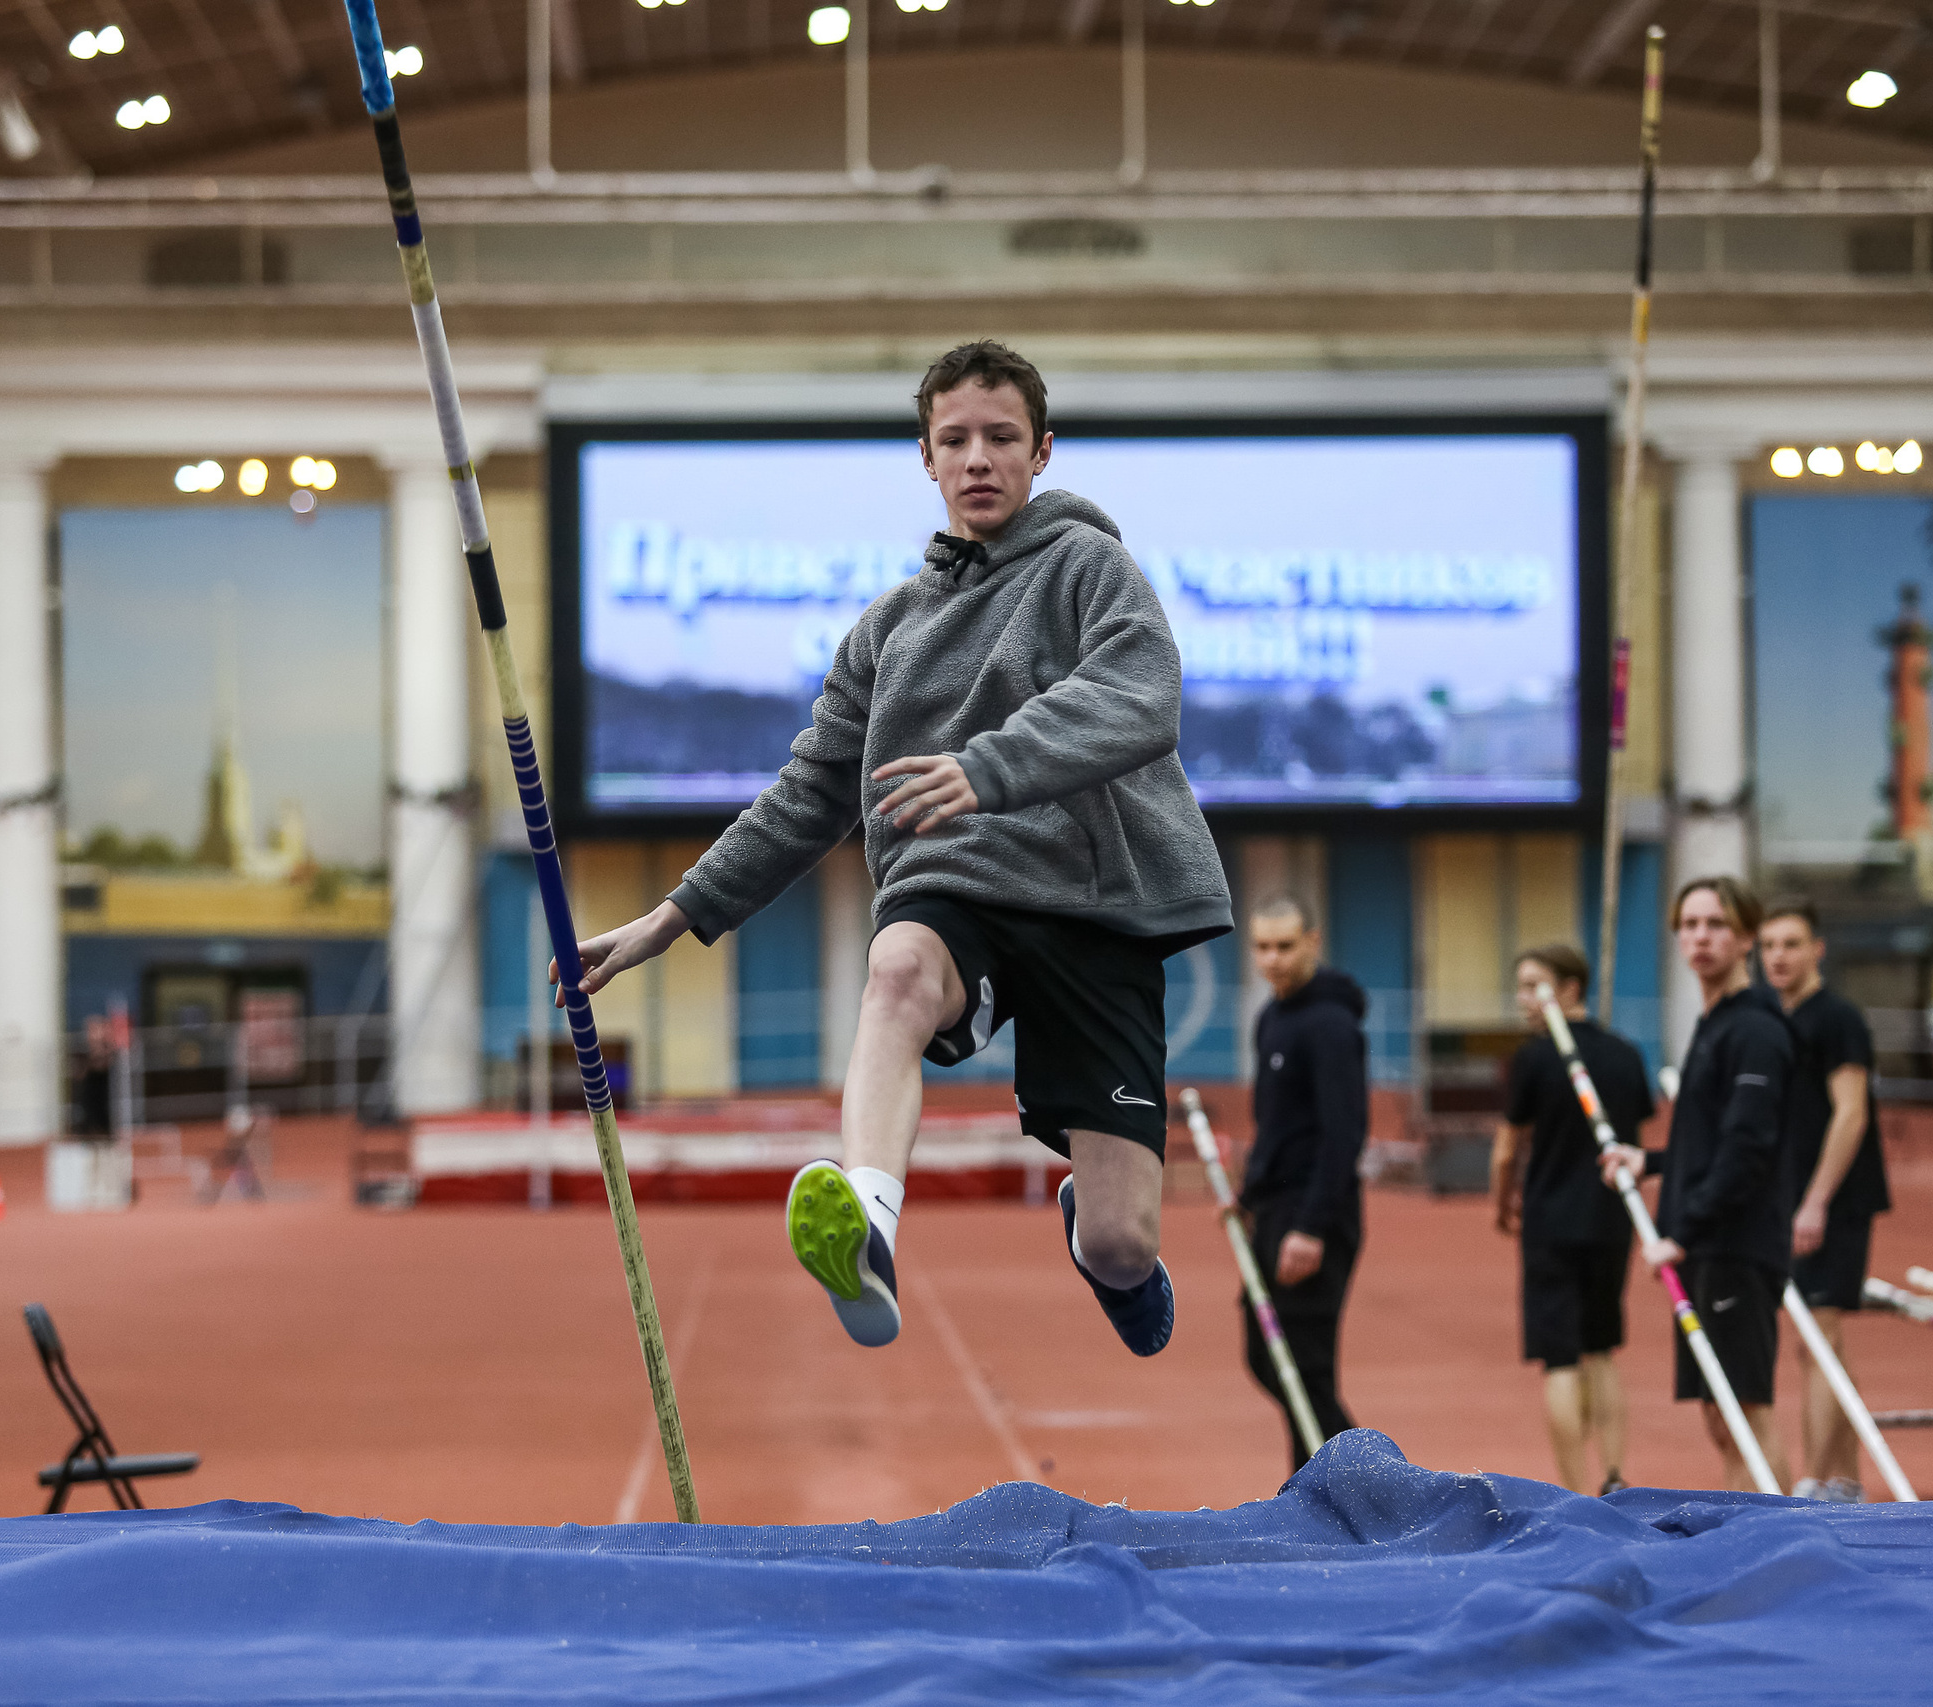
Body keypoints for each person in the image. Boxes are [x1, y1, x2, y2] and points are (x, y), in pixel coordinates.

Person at [558, 341, 1232, 1354]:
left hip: (1097, 907)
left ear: (1041, 451)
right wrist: (674, 915)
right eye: (953, 439)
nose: (977, 458)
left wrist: (985, 769)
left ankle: (1101, 1254)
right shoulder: (887, 629)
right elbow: (806, 794)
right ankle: (867, 1223)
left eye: (1001, 438)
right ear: (925, 459)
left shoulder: (1089, 567)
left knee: (1127, 1237)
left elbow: (1140, 696)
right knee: (898, 968)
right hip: (959, 884)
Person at [1602, 875, 1792, 1493]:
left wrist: (1680, 1232)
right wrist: (1649, 1162)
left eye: (1716, 925)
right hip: (1709, 1241)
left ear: (1744, 940)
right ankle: (1757, 1534)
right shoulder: (1714, 1024)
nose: (1700, 938)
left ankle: (1776, 1542)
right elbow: (1705, 1141)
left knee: (1743, 1411)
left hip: (1735, 1245)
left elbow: (1746, 1146)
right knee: (1721, 1413)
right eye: (1689, 926)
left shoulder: (1756, 1031)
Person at [1491, 943, 1650, 1496]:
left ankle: (1577, 1490)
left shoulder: (1535, 1058)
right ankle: (1613, 1476)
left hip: (1551, 1222)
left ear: (1570, 989)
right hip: (1612, 1219)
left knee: (1561, 1359)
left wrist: (1501, 1202)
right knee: (1600, 1349)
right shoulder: (1627, 1055)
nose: (1523, 1000)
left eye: (1534, 986)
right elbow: (1637, 1138)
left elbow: (1508, 1148)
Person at [1757, 898, 1892, 1504]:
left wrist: (1815, 1202)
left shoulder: (1836, 1019)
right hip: (1794, 1201)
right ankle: (1845, 1478)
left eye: (1790, 944)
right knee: (1819, 1342)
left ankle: (1815, 1483)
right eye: (1768, 946)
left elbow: (1851, 1113)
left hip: (1833, 1202)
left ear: (1817, 950)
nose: (1777, 957)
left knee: (1818, 1339)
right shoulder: (1773, 1018)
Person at [1240, 896, 1365, 1473]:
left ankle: (1353, 1485)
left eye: (1286, 947)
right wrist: (1248, 1198)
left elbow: (1344, 1134)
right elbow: (1275, 1126)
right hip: (1274, 1211)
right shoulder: (1272, 1018)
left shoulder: (1331, 1026)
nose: (1274, 960)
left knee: (1305, 1369)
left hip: (1314, 1215)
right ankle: (1345, 1481)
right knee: (1270, 1360)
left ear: (1313, 942)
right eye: (1263, 947)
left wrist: (1311, 1227)